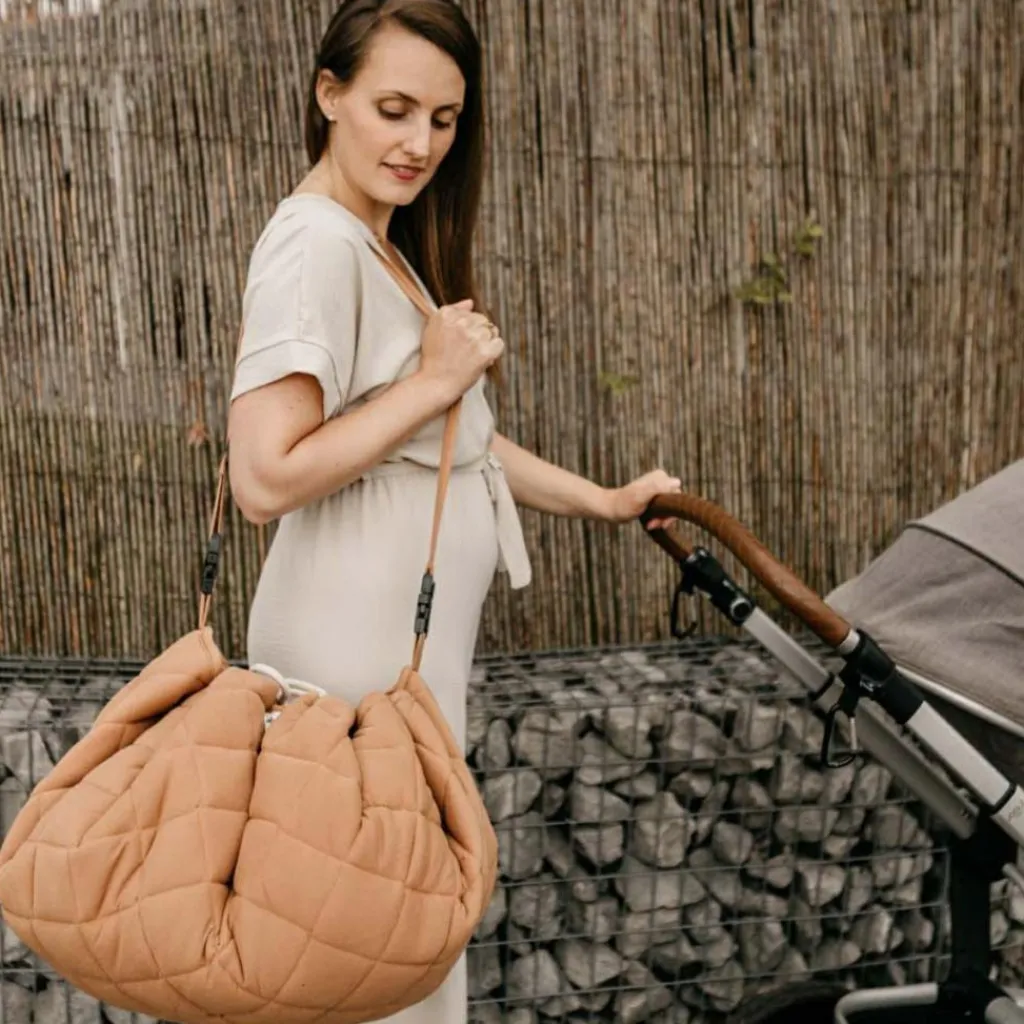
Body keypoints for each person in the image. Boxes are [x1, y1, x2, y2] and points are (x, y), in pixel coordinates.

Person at [226, 1, 680, 1019]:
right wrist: (432, 381)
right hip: (346, 662)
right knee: (363, 947)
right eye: (393, 109)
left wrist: (604, 502)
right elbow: (263, 479)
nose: (420, 143)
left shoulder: (379, 247)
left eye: (443, 118)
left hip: (399, 660)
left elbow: (454, 444)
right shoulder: (314, 244)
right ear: (329, 94)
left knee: (399, 940)